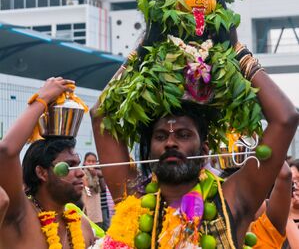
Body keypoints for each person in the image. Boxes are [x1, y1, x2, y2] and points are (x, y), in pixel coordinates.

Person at [91, 39, 298, 249]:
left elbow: (286, 118)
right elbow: (100, 114)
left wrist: (236, 49)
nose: (171, 142)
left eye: (183, 135)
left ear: (205, 148)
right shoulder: (133, 195)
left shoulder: (233, 198)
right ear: (149, 149)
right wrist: (142, 50)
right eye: (161, 136)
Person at [0, 77, 95, 249]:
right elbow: (5, 152)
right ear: (42, 172)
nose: (81, 172)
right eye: (69, 166)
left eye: (78, 164)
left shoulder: (83, 226)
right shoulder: (19, 215)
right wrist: (42, 99)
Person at [82, 152, 105, 227]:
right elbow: (87, 190)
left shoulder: (97, 173)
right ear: (84, 162)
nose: (91, 163)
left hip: (97, 208)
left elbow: (101, 189)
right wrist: (91, 176)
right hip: (88, 207)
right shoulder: (82, 173)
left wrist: (95, 175)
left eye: (93, 161)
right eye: (89, 161)